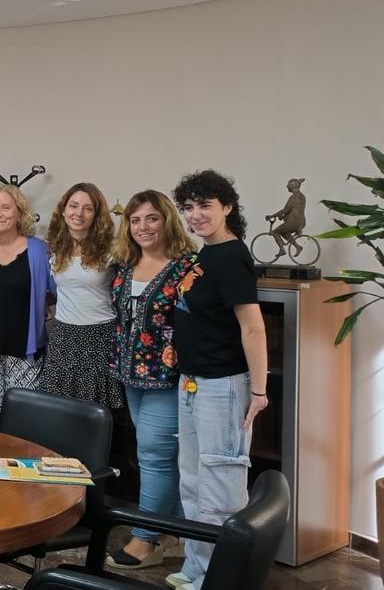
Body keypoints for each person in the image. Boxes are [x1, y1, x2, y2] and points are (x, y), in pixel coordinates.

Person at [169, 170, 269, 590]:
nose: (195, 215)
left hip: (223, 387)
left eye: (205, 205)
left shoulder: (230, 257)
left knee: (221, 489)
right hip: (193, 382)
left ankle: (222, 579)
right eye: (188, 207)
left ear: (227, 207)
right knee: (193, 482)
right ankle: (197, 569)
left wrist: (259, 391)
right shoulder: (205, 254)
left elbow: (253, 328)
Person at [105, 190, 196, 570]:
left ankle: (144, 539)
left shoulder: (186, 267)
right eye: (135, 220)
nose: (143, 227)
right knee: (157, 455)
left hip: (167, 377)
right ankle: (174, 533)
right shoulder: (125, 265)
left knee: (154, 455)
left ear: (167, 221)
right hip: (129, 374)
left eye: (152, 218)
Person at [0, 184, 55, 431]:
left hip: (25, 351)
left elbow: (59, 291)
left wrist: (41, 303)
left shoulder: (39, 250)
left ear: (19, 212)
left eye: (5, 207)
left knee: (24, 425)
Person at [37, 183, 124, 410]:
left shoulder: (112, 250)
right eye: (73, 206)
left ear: (96, 214)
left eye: (88, 208)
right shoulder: (55, 248)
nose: (79, 213)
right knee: (59, 409)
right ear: (64, 210)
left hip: (100, 336)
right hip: (63, 335)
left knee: (95, 410)